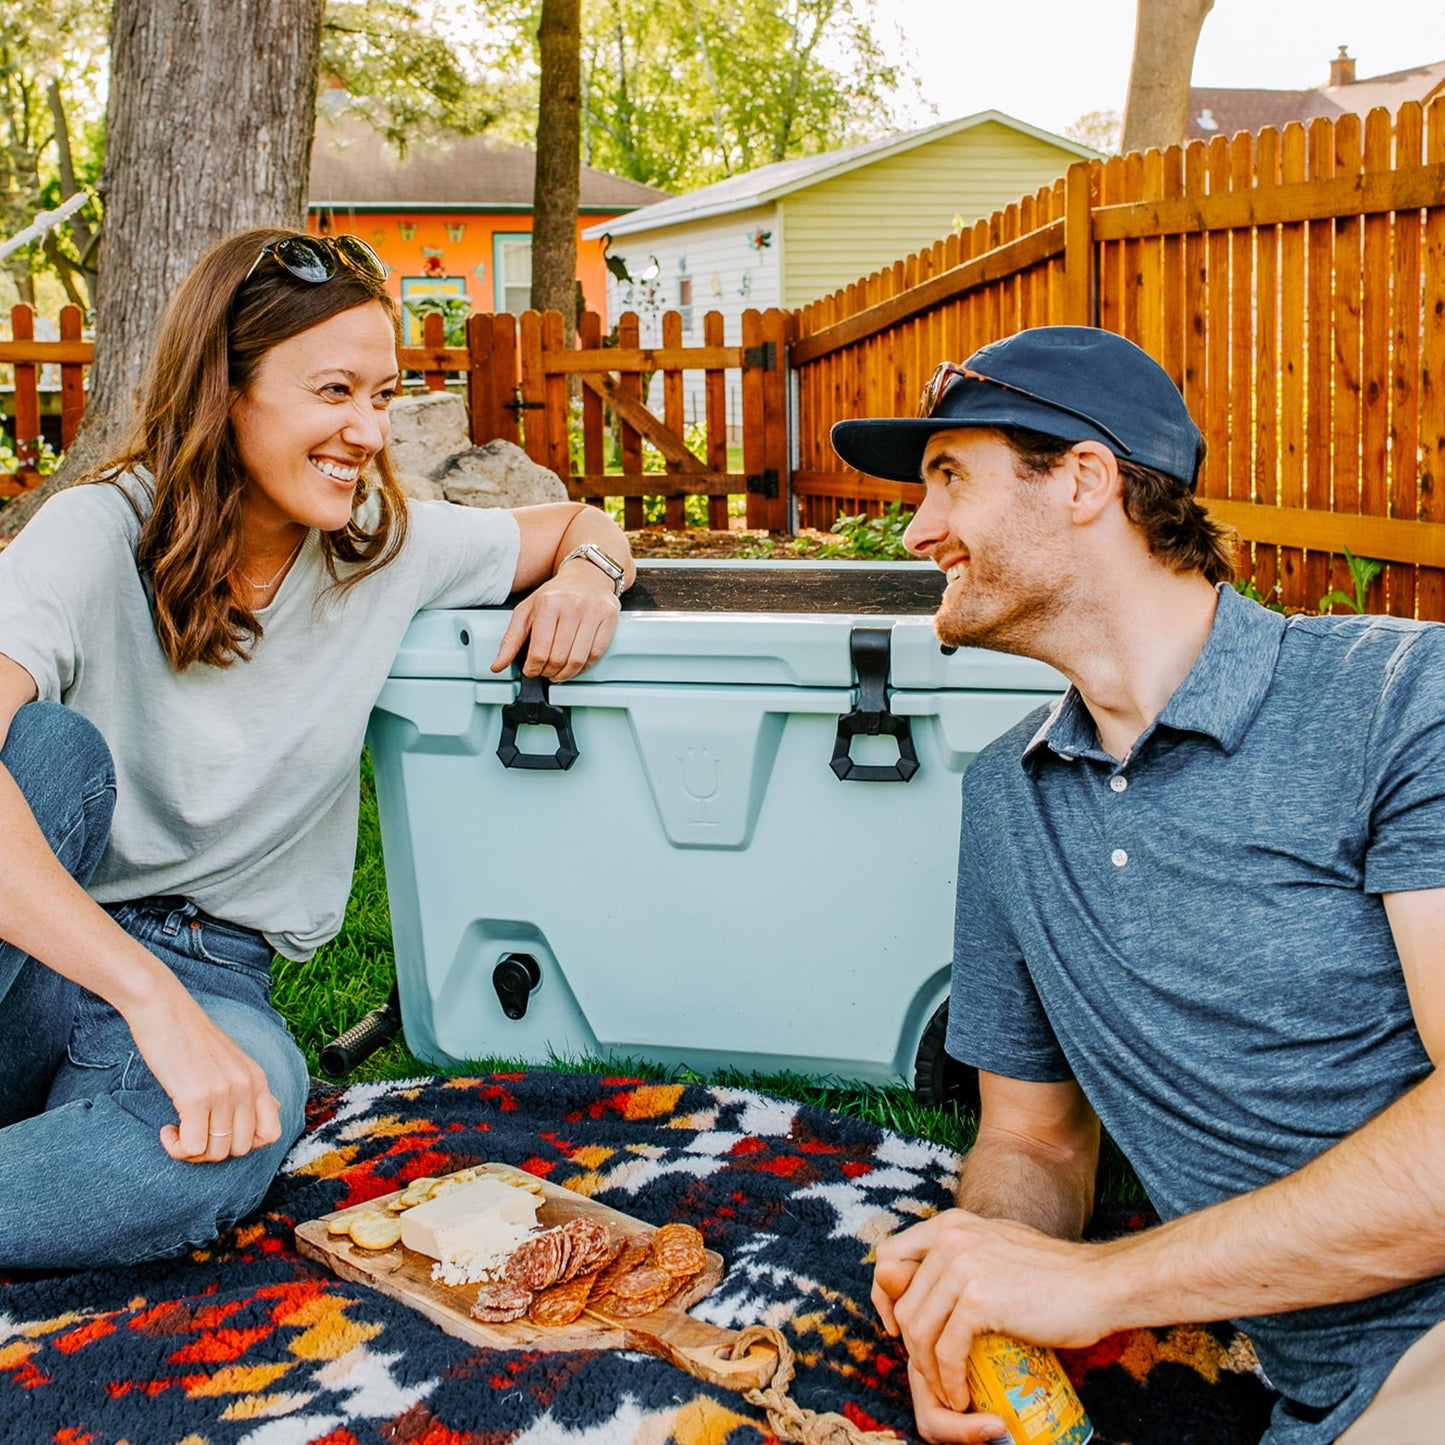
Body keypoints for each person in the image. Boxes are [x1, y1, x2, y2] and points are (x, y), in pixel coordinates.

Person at [830, 327, 1445, 1445]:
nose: (917, 530)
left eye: (946, 477)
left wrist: (1099, 1286)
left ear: (1081, 480)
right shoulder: (1007, 802)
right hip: (1333, 1395)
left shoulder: (1401, 698)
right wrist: (980, 1295)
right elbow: (1035, 1142)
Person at [0, 228, 635, 1270]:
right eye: (334, 390)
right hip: (32, 954)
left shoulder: (381, 545)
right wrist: (143, 996)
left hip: (215, 973)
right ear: (225, 390)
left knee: (228, 1139)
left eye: (382, 395)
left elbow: (579, 522)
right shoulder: (92, 532)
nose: (366, 429)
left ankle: (68, 1156)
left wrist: (585, 579)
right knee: (49, 750)